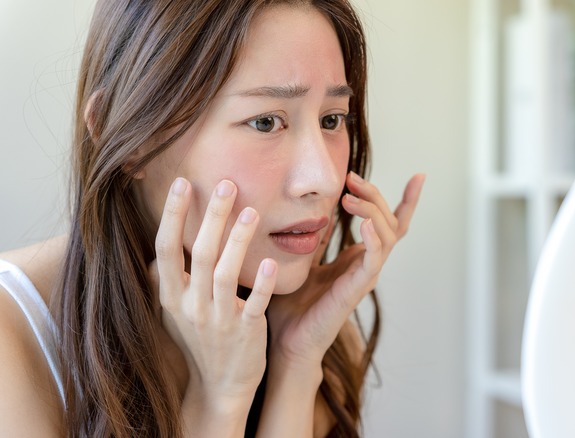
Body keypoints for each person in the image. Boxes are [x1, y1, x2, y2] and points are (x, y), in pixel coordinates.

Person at [0, 0, 425, 436]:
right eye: (265, 122)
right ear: (125, 137)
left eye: (332, 119)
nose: (323, 178)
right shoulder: (11, 339)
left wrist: (295, 362)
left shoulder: (313, 323)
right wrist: (219, 401)